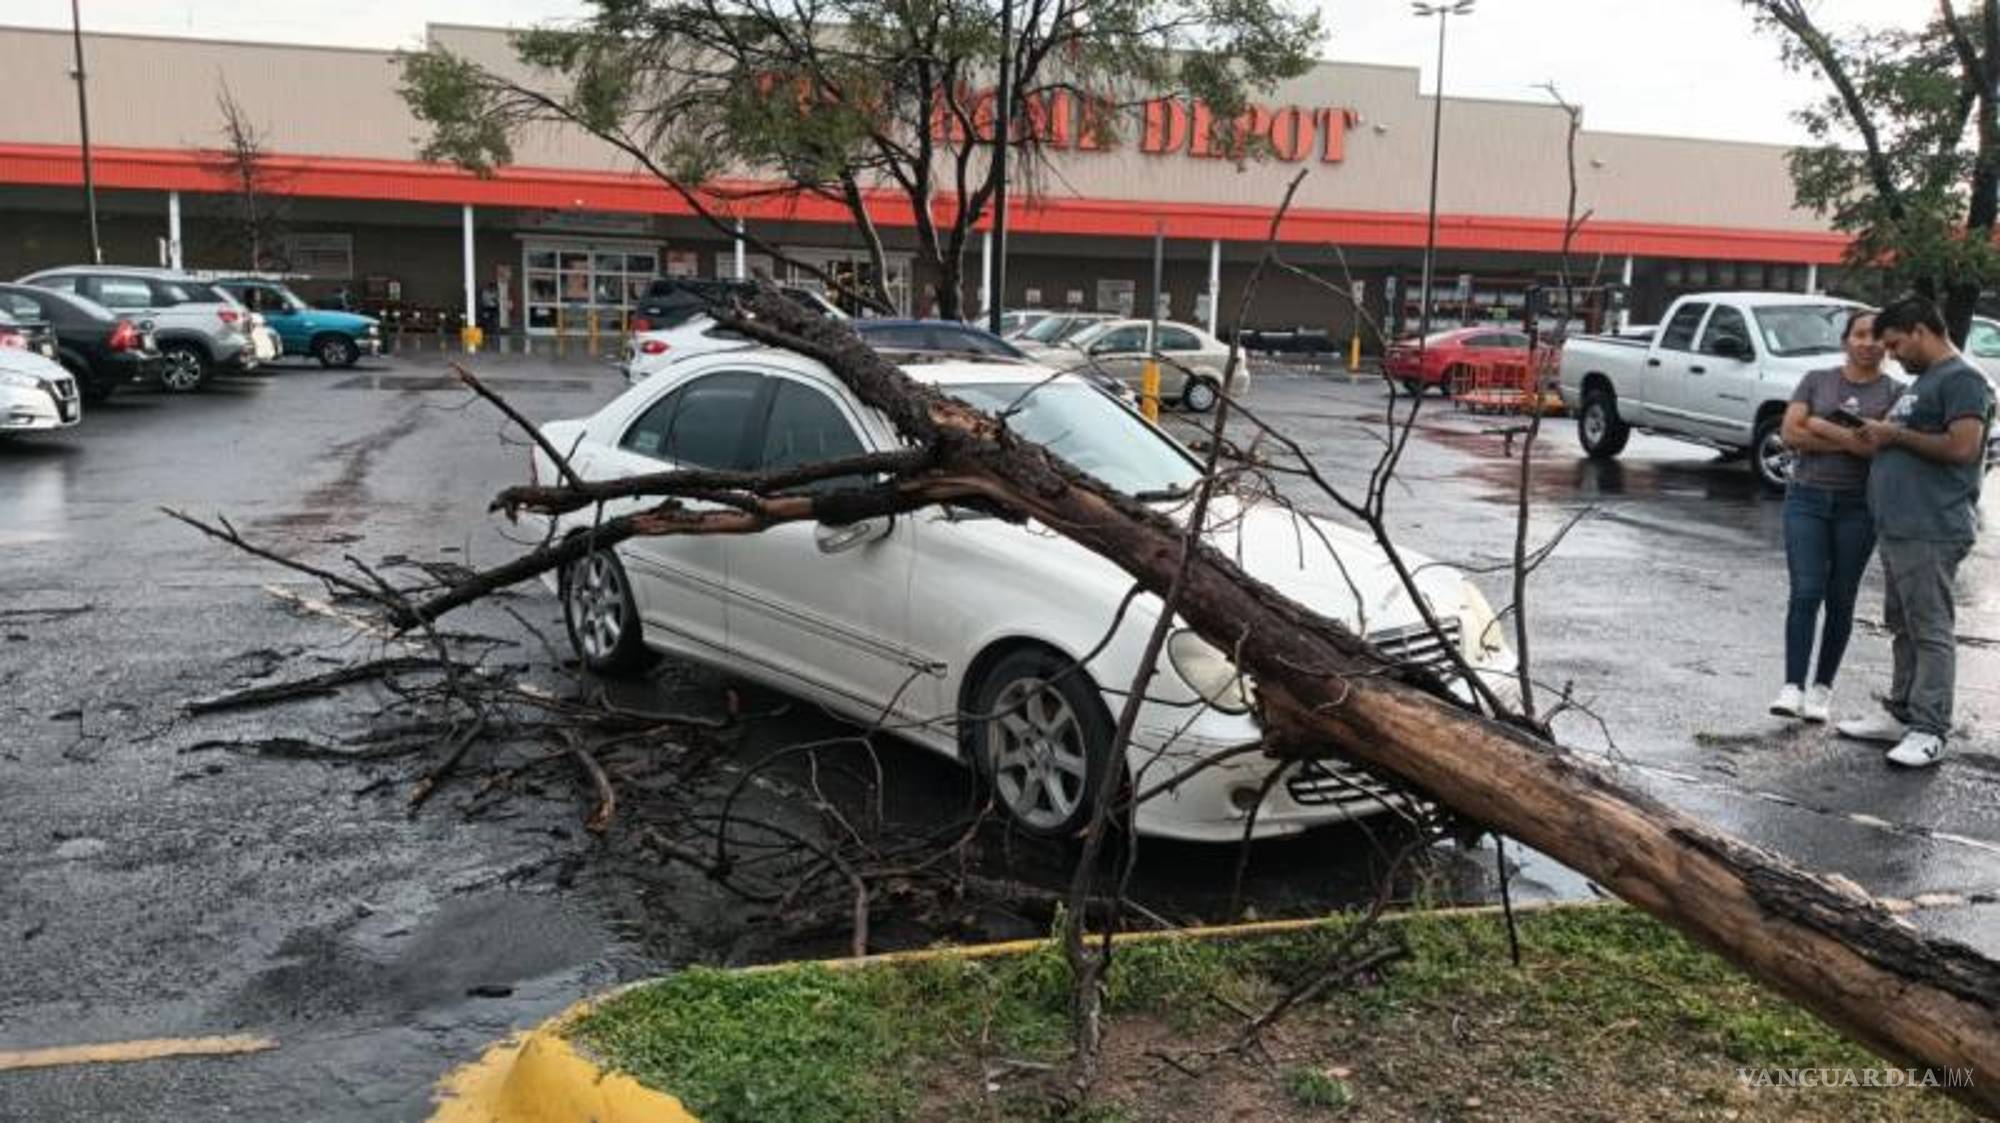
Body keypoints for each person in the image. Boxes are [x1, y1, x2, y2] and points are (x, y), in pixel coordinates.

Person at [1836, 296, 1996, 767]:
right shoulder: (1925, 381)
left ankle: (1929, 728)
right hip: (1901, 524)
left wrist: (1893, 435)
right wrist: (1878, 434)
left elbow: (1963, 447)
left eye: (1896, 344)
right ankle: (1901, 712)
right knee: (1903, 625)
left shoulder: (1963, 379)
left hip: (1932, 525)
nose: (1892, 354)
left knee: (1929, 629)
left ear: (1921, 330)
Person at [1770, 310, 1900, 723]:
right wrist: (1850, 436)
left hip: (1859, 505)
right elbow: (1790, 433)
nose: (1868, 343)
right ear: (1846, 339)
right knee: (1805, 592)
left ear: (1888, 345)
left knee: (1841, 599)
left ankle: (1822, 689)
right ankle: (1792, 686)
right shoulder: (1816, 379)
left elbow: (1873, 449)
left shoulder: (1896, 392)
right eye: (1860, 334)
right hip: (1806, 498)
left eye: (1877, 336)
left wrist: (1821, 426)